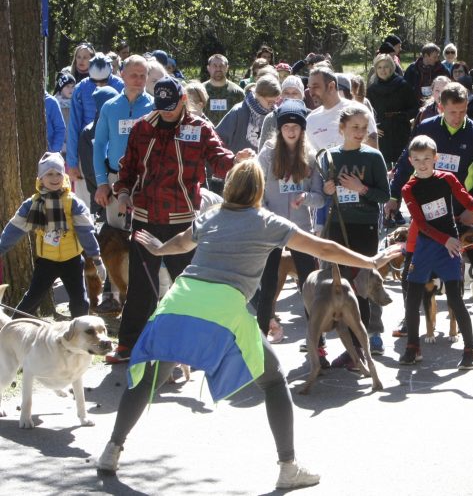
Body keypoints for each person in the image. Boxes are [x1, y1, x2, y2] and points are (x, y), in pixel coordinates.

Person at [96, 159, 399, 489]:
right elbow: (323, 248)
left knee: (151, 378)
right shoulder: (268, 221)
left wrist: (159, 249)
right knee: (273, 382)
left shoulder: (211, 216)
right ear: (260, 190)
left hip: (181, 299)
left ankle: (111, 450)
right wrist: (370, 260)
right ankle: (288, 466)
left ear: (228, 188)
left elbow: (182, 242)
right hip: (223, 305)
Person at [104, 77, 254, 363]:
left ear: (183, 100)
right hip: (145, 218)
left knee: (190, 286)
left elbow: (220, 160)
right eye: (162, 107)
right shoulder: (143, 127)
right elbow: (128, 169)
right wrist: (123, 194)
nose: (166, 112)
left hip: (183, 221)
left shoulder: (200, 128)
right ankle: (128, 345)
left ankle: (206, 345)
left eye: (171, 107)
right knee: (140, 286)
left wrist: (237, 160)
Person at [388, 83, 473, 341]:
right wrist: (394, 196)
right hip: (430, 213)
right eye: (452, 112)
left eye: (463, 111)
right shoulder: (426, 129)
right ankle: (410, 316)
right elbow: (407, 161)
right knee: (411, 268)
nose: (458, 117)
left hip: (465, 211)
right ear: (440, 108)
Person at [398, 135, 473, 368]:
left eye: (426, 158)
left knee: (455, 298)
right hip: (427, 246)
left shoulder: (447, 178)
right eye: (416, 159)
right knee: (412, 298)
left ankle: (470, 349)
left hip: (449, 245)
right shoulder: (408, 189)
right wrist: (445, 240)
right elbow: (421, 224)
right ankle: (413, 346)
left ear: (436, 158)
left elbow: (469, 202)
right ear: (411, 161)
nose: (422, 164)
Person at [320, 103, 391, 362]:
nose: (360, 132)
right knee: (342, 286)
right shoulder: (329, 157)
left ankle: (365, 344)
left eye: (363, 127)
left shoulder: (373, 157)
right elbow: (321, 193)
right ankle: (350, 345)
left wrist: (362, 188)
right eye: (354, 127)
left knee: (363, 285)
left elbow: (384, 195)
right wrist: (327, 190)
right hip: (339, 226)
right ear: (342, 129)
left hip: (366, 226)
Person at [0, 152, 105, 318]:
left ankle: (80, 337)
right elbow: (14, 230)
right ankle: (12, 332)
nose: (54, 178)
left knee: (80, 302)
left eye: (58, 173)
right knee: (32, 298)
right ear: (41, 178)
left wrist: (96, 258)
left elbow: (86, 232)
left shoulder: (73, 202)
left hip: (73, 260)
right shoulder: (33, 204)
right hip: (46, 261)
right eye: (49, 173)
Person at [256, 100, 325, 342]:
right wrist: (265, 214)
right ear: (279, 128)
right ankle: (260, 342)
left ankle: (317, 343)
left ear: (303, 129)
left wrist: (306, 197)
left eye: (296, 127)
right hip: (271, 227)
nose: (291, 131)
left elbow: (320, 199)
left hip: (299, 228)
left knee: (309, 285)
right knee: (267, 285)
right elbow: (257, 191)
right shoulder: (267, 153)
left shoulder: (311, 156)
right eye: (286, 126)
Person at [94, 55, 155, 231]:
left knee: (145, 234)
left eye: (143, 75)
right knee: (117, 237)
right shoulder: (109, 107)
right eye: (133, 75)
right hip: (116, 178)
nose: (138, 80)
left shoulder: (154, 107)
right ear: (122, 74)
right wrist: (102, 183)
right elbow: (99, 145)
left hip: (146, 180)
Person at [66, 50, 124, 188]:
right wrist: (72, 163)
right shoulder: (81, 89)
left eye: (104, 81)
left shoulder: (121, 86)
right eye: (95, 82)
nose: (100, 85)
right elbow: (74, 125)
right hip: (88, 145)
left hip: (116, 146)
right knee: (90, 194)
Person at [305, 67, 378, 153]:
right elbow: (313, 159)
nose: (311, 93)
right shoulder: (311, 120)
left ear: (331, 86)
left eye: (315, 87)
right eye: (309, 88)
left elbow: (374, 152)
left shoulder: (359, 111)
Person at [369, 53, 421, 167]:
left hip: (400, 130)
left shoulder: (402, 85)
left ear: (392, 68)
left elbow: (414, 108)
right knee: (383, 166)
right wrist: (373, 127)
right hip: (381, 133)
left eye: (386, 66)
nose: (383, 70)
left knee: (402, 165)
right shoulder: (372, 89)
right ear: (376, 70)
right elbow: (367, 112)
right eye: (379, 67)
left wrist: (403, 117)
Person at [216, 74, 281, 153]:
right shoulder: (239, 112)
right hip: (240, 162)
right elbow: (218, 139)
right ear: (258, 95)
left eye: (275, 101)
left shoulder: (274, 114)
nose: (273, 105)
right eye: (270, 102)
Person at [202, 54, 245, 126]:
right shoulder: (200, 91)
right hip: (205, 135)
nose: (218, 69)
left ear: (227, 68)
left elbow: (243, 118)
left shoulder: (238, 93)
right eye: (214, 66)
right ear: (208, 68)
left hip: (230, 136)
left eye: (221, 66)